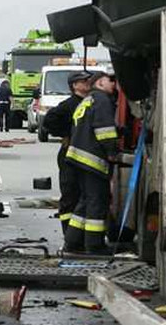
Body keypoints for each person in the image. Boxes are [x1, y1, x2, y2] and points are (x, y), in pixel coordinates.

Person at [64, 72, 119, 254]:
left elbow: (90, 124)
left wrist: (121, 131)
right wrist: (111, 151)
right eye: (111, 80)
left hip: (78, 157)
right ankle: (95, 245)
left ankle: (73, 242)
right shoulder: (103, 99)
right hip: (92, 159)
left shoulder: (89, 99)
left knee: (85, 202)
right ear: (101, 82)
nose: (114, 84)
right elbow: (104, 130)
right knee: (97, 201)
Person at [41, 71, 92, 239]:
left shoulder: (90, 103)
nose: (87, 84)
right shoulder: (69, 105)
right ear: (74, 86)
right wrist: (66, 134)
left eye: (88, 81)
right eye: (83, 82)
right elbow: (48, 121)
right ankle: (68, 233)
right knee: (70, 194)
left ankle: (79, 234)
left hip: (84, 154)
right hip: (69, 154)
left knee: (83, 194)